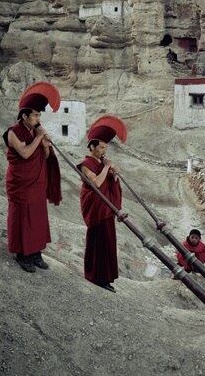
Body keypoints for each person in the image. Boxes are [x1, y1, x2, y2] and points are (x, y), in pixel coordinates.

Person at [4, 81, 61, 273]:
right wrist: (38, 137)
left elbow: (43, 157)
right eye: (35, 115)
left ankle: (36, 252)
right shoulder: (13, 132)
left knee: (37, 216)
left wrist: (45, 143)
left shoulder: (34, 130)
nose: (38, 119)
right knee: (22, 216)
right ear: (25, 115)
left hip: (37, 181)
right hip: (21, 182)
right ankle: (22, 254)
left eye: (39, 115)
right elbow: (25, 154)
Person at [78, 115, 128, 293]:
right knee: (97, 242)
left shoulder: (100, 162)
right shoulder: (86, 164)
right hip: (95, 209)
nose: (103, 151)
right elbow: (96, 184)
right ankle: (94, 276)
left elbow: (109, 182)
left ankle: (105, 278)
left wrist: (114, 174)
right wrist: (106, 167)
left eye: (105, 147)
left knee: (108, 243)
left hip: (106, 209)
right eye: (101, 147)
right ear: (92, 146)